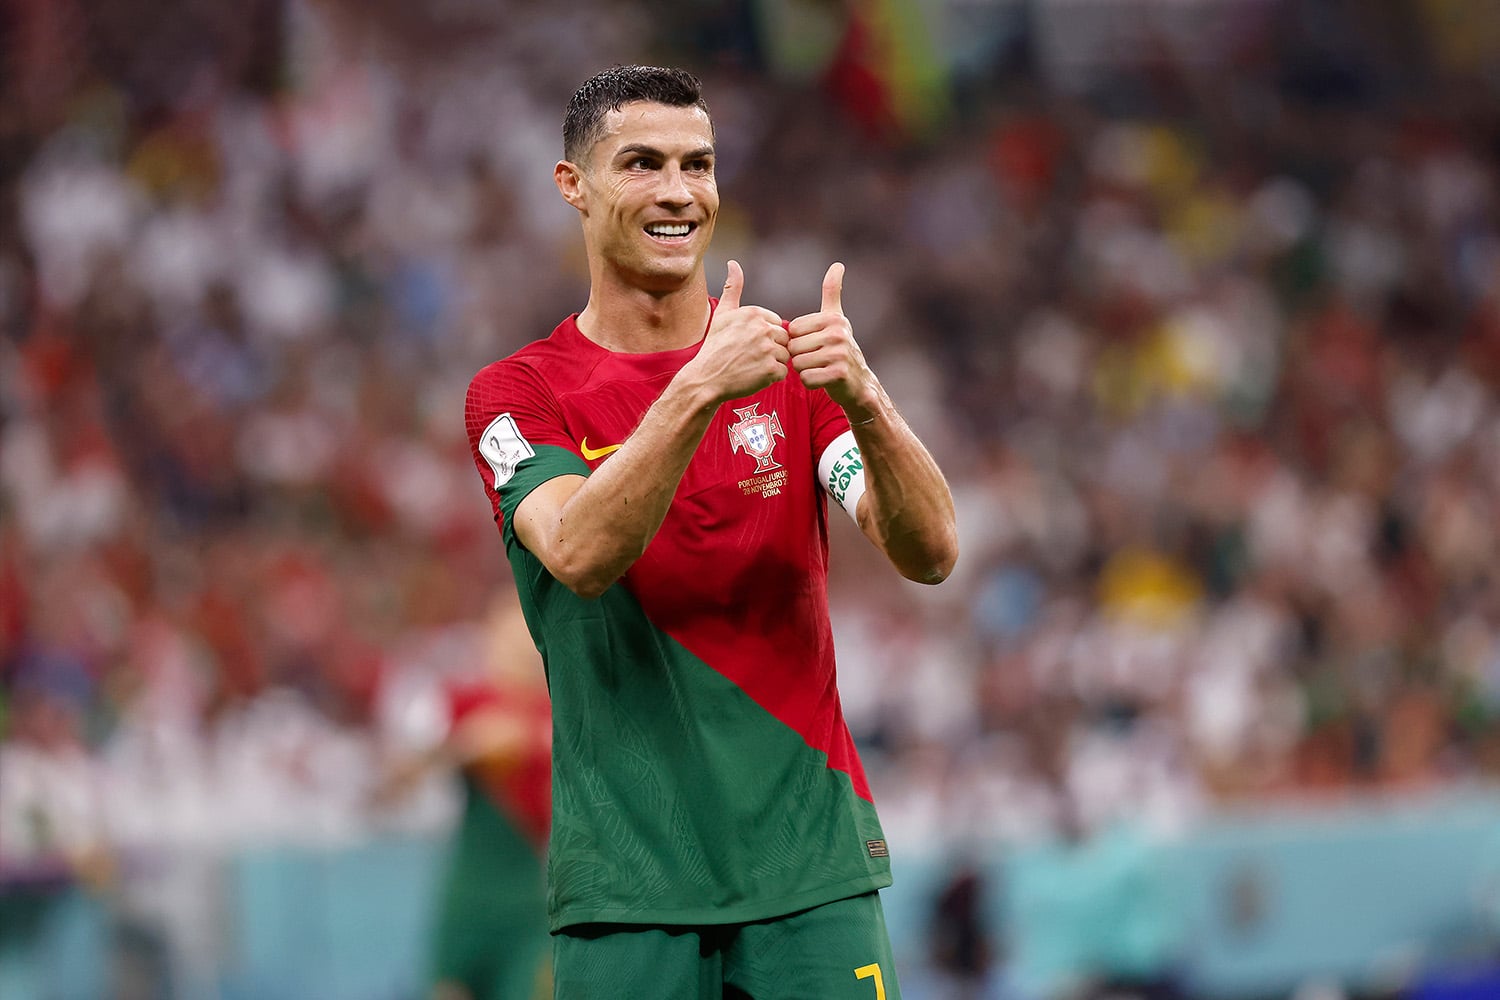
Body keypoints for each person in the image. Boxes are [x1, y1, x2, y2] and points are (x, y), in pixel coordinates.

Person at [463, 64, 958, 1000]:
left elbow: (929, 553)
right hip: (628, 888)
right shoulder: (519, 394)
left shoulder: (790, 372)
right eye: (642, 163)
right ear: (574, 185)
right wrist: (697, 387)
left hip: (812, 880)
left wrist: (868, 401)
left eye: (698, 164)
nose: (678, 191)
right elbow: (576, 551)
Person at [372, 593, 553, 1000]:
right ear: (489, 637)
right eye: (510, 634)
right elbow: (396, 776)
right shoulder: (459, 701)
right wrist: (464, 748)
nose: (521, 647)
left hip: (527, 898)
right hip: (468, 893)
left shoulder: (554, 710)